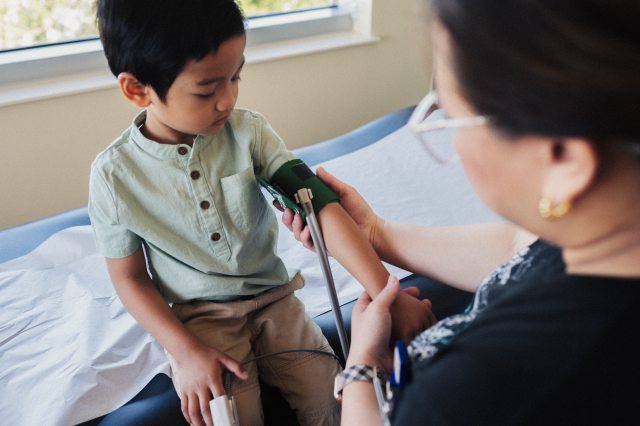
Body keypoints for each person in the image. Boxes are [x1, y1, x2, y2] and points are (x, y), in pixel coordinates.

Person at [283, 0, 640, 424]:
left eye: (451, 117)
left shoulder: (471, 392)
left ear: (565, 160)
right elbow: (520, 250)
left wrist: (361, 370)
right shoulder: (603, 229)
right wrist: (376, 232)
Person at [88, 1, 433, 425]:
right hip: (201, 321)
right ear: (137, 90)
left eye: (236, 77)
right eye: (207, 89)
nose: (228, 99)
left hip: (277, 301)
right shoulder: (113, 176)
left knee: (336, 404)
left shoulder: (250, 133)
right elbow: (129, 278)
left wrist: (387, 296)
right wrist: (186, 352)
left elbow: (319, 206)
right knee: (232, 417)